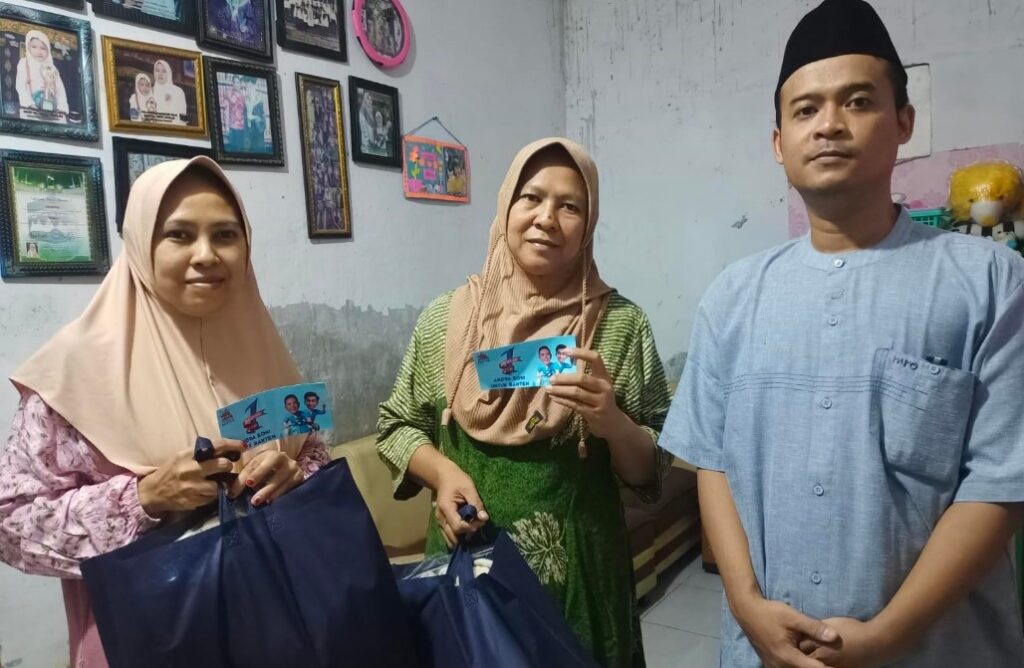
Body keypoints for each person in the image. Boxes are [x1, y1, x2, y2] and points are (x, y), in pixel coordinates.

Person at [659, 1, 1024, 666]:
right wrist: (745, 604)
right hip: (764, 651)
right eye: (805, 110)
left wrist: (888, 636)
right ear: (779, 143)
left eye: (858, 101)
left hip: (935, 651)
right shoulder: (733, 296)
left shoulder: (991, 283)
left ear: (903, 120)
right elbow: (711, 461)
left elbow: (1000, 482)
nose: (829, 124)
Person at [0, 156, 330, 668]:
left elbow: (314, 454)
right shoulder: (73, 372)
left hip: (281, 623)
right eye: (179, 235)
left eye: (225, 235)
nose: (207, 255)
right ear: (140, 244)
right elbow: (12, 525)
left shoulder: (264, 349)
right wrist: (144, 499)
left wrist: (295, 475)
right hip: (152, 638)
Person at [378, 138, 672, 667]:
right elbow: (397, 426)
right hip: (469, 577)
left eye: (570, 205)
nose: (546, 219)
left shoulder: (619, 325)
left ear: (589, 223)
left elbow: (652, 469)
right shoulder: (447, 318)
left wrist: (612, 422)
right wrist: (444, 475)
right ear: (505, 206)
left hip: (580, 586)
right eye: (531, 198)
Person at [15, 30, 69, 122]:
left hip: (52, 108)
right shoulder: (24, 63)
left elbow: (60, 89)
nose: (39, 51)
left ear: (48, 49)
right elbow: (20, 86)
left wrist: (61, 107)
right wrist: (29, 104)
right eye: (34, 47)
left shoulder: (52, 67)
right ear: (27, 47)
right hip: (31, 106)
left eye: (43, 48)